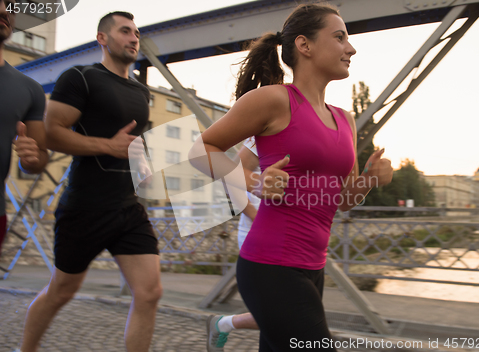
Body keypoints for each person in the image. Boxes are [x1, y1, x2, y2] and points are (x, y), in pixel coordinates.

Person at [194, 3, 393, 351]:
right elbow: (200, 150)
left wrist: (369, 182)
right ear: (305, 45)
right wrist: (252, 182)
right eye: (340, 37)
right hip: (271, 266)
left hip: (313, 267)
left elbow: (342, 202)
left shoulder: (345, 120)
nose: (351, 48)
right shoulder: (273, 100)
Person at [19, 12, 162, 352]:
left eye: (136, 33)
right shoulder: (80, 78)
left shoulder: (140, 92)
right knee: (62, 291)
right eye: (124, 31)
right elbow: (52, 134)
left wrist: (142, 165)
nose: (133, 38)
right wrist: (108, 146)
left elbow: (129, 143)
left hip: (127, 206)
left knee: (150, 292)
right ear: (103, 38)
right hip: (86, 205)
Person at [0, 0, 48, 258]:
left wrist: (31, 158)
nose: (4, 10)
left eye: (10, 6)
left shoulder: (30, 90)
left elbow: (39, 158)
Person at [206, 137, 260, 351]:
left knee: (286, 314)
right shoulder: (260, 136)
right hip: (258, 232)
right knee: (282, 314)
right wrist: (258, 218)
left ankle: (222, 324)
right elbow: (229, 179)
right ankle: (221, 324)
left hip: (296, 235)